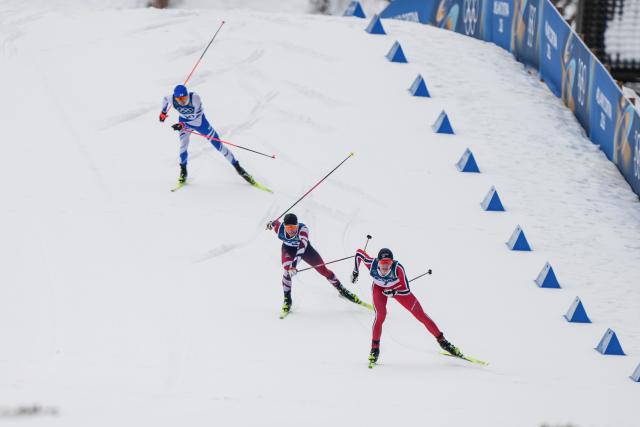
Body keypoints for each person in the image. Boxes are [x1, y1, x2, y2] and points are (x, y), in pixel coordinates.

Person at [351, 247, 462, 366]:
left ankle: (443, 342)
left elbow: (406, 290)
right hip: (378, 289)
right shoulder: (371, 263)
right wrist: (355, 271)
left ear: (392, 262)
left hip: (397, 288)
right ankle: (374, 349)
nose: (385, 267)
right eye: (383, 263)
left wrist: (394, 292)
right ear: (378, 261)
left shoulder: (398, 268)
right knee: (380, 315)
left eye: (388, 263)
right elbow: (358, 253)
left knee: (420, 315)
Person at [266, 213, 368, 316]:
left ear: (297, 225)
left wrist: (294, 265)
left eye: (294, 227)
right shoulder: (279, 229)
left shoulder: (303, 229)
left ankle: (341, 289)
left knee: (323, 270)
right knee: (287, 270)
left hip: (305, 250)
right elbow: (275, 223)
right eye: (289, 227)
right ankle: (287, 299)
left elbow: (302, 247)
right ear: (285, 226)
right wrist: (271, 224)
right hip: (288, 249)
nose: (291, 230)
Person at [159, 84, 255, 185]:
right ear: (175, 97)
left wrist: (182, 124)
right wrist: (163, 112)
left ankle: (238, 167)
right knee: (183, 146)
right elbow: (165, 99)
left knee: (219, 145)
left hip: (200, 123)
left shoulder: (195, 98)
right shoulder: (172, 99)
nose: (182, 101)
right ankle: (183, 170)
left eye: (184, 97)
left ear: (187, 95)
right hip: (183, 124)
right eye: (179, 99)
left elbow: (194, 117)